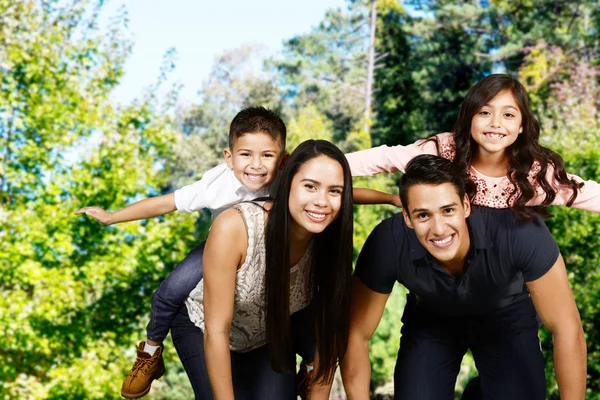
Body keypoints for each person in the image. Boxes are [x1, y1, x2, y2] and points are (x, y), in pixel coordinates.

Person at [75, 107, 395, 399]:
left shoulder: (319, 224)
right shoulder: (220, 191)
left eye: (267, 156)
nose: (256, 166)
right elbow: (167, 202)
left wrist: (392, 199)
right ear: (229, 157)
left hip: (268, 326)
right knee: (173, 286)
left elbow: (350, 192)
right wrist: (113, 216)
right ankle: (150, 350)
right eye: (246, 155)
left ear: (282, 162)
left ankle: (303, 372)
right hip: (221, 275)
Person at [341, 155, 587, 399]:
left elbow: (567, 328)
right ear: (407, 217)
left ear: (466, 205)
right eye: (423, 215)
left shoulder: (520, 231)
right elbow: (356, 334)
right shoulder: (388, 241)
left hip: (507, 317)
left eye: (448, 210)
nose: (439, 229)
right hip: (432, 321)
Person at [172, 140, 354, 399]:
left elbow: (327, 341)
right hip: (206, 329)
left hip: (269, 332)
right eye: (310, 186)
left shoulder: (330, 240)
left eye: (334, 191)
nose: (322, 201)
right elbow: (217, 330)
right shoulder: (236, 227)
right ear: (287, 182)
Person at [346, 74, 600, 218]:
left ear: (522, 125)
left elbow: (589, 194)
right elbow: (385, 158)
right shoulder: (444, 150)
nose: (495, 124)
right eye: (484, 112)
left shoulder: (536, 173)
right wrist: (327, 165)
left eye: (509, 115)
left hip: (508, 279)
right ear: (470, 118)